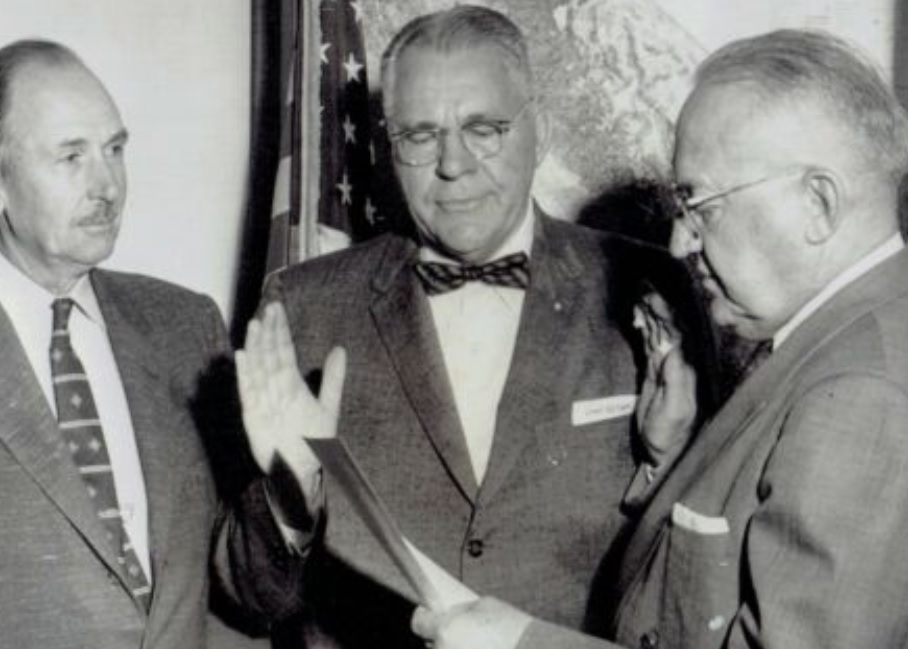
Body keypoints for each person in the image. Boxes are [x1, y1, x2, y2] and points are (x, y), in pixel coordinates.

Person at [216, 5, 704, 649]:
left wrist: (664, 463)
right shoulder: (306, 303)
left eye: (484, 128)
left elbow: (698, 583)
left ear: (543, 130)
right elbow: (244, 598)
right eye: (421, 135)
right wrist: (290, 497)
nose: (453, 164)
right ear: (390, 150)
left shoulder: (650, 288)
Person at [410, 28, 908, 649]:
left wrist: (520, 642)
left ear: (818, 204)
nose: (680, 243)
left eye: (701, 205)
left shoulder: (865, 395)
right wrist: (671, 460)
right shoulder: (842, 340)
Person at [0, 39, 252, 648]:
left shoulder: (184, 324)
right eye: (71, 157)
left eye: (115, 149)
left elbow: (243, 586)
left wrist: (295, 482)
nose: (107, 184)